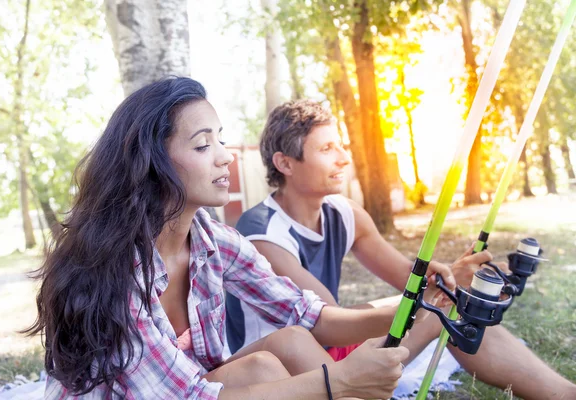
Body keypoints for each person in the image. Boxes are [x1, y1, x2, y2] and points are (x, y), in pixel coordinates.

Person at [24, 77, 459, 399]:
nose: (223, 156)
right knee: (277, 375)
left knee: (283, 346)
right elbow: (189, 398)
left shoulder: (214, 243)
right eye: (201, 146)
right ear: (152, 163)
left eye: (221, 141)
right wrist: (338, 382)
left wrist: (419, 302)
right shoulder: (115, 268)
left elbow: (308, 314)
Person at [226, 99, 576, 399]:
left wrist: (450, 278)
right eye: (326, 149)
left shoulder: (345, 212)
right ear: (285, 163)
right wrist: (434, 303)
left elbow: (409, 279)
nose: (344, 158)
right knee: (445, 311)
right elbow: (327, 324)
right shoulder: (262, 235)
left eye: (340, 145)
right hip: (288, 368)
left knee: (454, 306)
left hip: (330, 343)